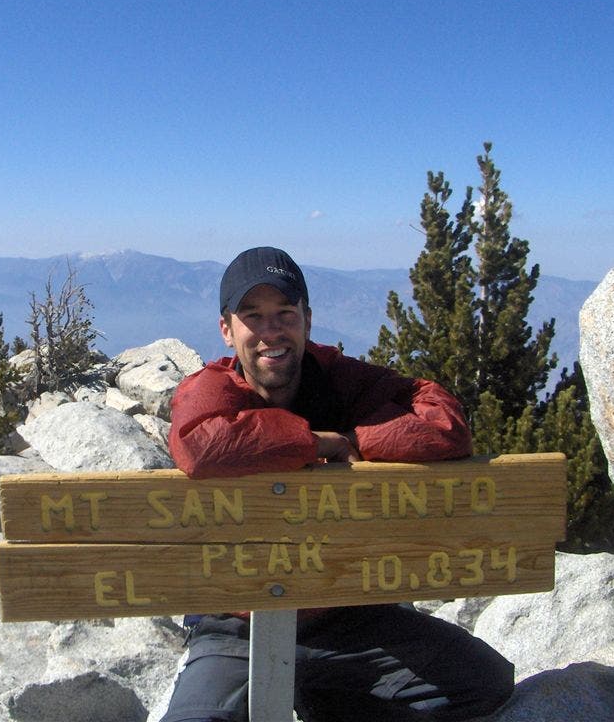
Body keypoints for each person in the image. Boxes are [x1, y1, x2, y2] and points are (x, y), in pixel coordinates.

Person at [161, 247, 514, 722]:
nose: (271, 332)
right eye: (253, 317)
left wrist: (351, 438)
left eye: (285, 314)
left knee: (484, 682)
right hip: (236, 625)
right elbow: (200, 444)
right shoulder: (213, 387)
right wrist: (312, 443)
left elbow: (444, 424)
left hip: (347, 612)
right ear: (227, 329)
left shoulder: (339, 377)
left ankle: (329, 700)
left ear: (307, 319)